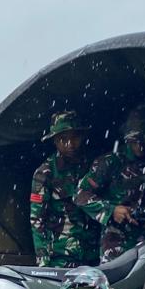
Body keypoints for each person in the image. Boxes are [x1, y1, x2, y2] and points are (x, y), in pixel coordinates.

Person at [76, 104, 145, 262]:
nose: (139, 147)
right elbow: (81, 194)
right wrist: (111, 210)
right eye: (134, 141)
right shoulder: (110, 162)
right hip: (117, 241)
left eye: (144, 141)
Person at [30, 110, 100, 268]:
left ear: (82, 137)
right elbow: (37, 220)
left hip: (94, 254)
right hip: (62, 258)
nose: (70, 144)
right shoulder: (44, 174)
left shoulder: (94, 165)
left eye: (74, 137)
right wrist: (43, 262)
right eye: (63, 139)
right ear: (55, 141)